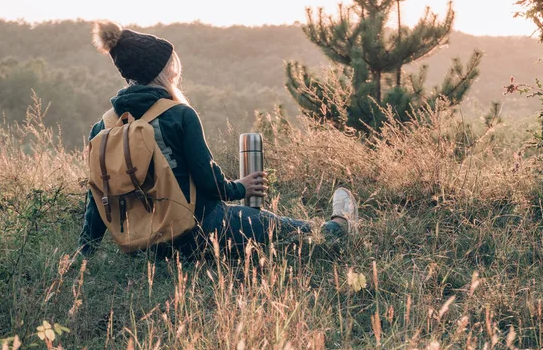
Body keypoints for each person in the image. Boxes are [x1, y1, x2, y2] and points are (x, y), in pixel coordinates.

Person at [78, 21, 359, 258]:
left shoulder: (103, 127)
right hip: (200, 232)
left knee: (268, 230)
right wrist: (241, 187)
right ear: (162, 71)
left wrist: (85, 251)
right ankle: (340, 226)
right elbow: (210, 184)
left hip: (146, 247)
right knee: (283, 229)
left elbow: (98, 197)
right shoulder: (178, 115)